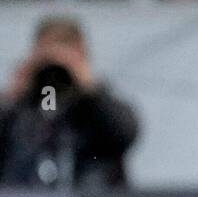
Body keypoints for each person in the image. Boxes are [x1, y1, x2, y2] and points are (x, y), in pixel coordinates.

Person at [0, 16, 139, 187]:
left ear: (83, 55)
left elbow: (125, 133)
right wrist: (12, 95)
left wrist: (89, 86)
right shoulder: (20, 107)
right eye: (48, 51)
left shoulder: (97, 105)